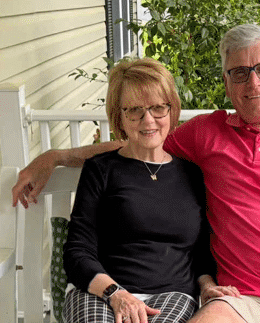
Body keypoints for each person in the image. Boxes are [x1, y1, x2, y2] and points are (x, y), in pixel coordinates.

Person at [13, 25, 260, 323]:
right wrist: (57, 156)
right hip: (239, 301)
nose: (253, 82)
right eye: (239, 73)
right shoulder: (206, 134)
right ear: (227, 85)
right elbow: (141, 142)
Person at [61, 57, 226, 323]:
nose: (148, 120)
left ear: (171, 111)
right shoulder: (101, 170)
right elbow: (77, 251)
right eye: (135, 110)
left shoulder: (192, 174)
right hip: (103, 290)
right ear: (120, 117)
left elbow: (199, 253)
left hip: (172, 294)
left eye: (158, 108)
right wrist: (116, 294)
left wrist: (207, 286)